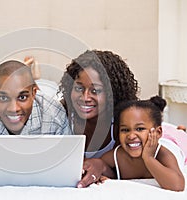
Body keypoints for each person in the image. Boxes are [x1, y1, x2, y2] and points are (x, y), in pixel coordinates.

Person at [58, 50, 139, 187]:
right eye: (78, 88)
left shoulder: (122, 125)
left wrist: (102, 166)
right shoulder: (61, 117)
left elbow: (130, 168)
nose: (85, 98)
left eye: (95, 91)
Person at [97, 96, 185, 191]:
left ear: (158, 132)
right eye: (125, 130)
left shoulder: (163, 154)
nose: (131, 136)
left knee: (179, 135)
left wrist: (149, 158)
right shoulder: (117, 155)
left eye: (139, 129)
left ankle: (180, 130)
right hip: (150, 136)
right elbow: (99, 167)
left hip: (174, 142)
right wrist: (102, 176)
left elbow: (177, 185)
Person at [0, 60, 71, 135]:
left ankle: (37, 77)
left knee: (48, 88)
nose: (13, 109)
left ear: (34, 93)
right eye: (3, 98)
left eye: (22, 97)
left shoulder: (55, 116)